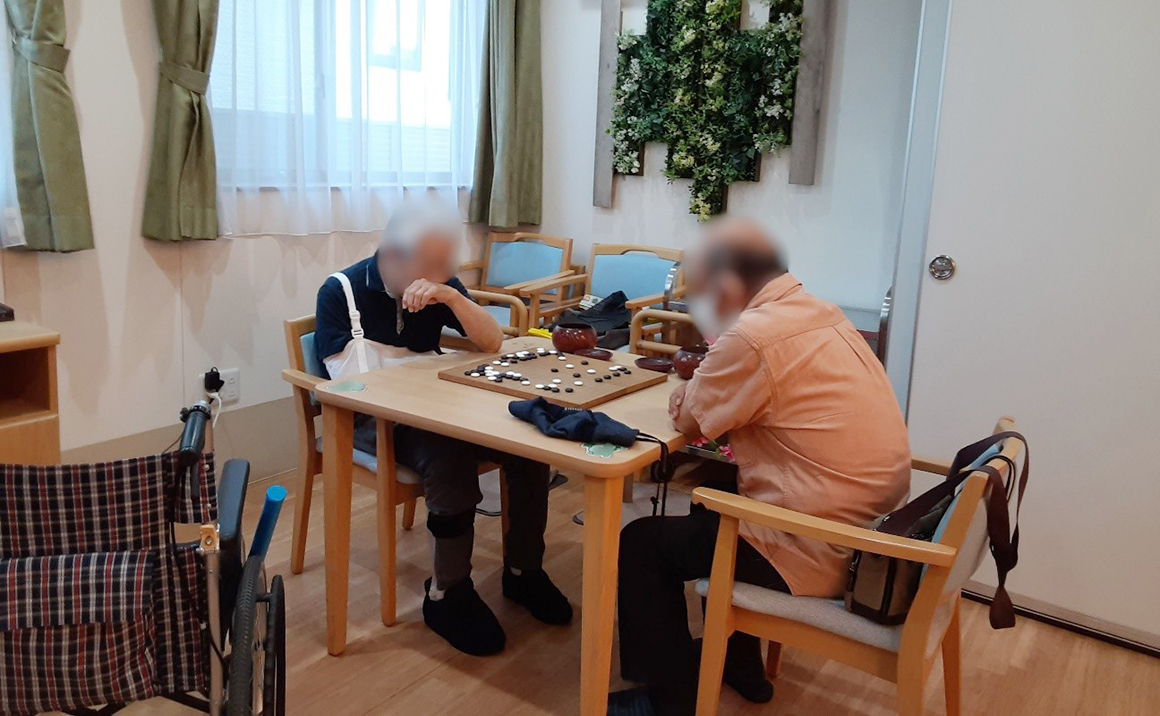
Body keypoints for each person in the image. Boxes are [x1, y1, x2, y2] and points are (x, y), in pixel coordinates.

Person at [609, 217, 911, 716]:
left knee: (643, 543)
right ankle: (738, 664)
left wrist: (696, 390)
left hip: (819, 544)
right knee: (715, 506)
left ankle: (668, 700)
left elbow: (690, 420)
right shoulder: (822, 313)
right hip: (872, 527)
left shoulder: (753, 336)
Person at [314, 198, 572, 657]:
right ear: (391, 254)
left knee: (526, 443)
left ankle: (523, 570)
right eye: (428, 264)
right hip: (371, 419)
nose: (438, 274)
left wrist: (452, 296)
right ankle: (447, 592)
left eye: (443, 265)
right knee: (448, 454)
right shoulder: (341, 292)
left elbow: (491, 341)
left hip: (434, 406)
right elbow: (357, 387)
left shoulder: (439, 285)